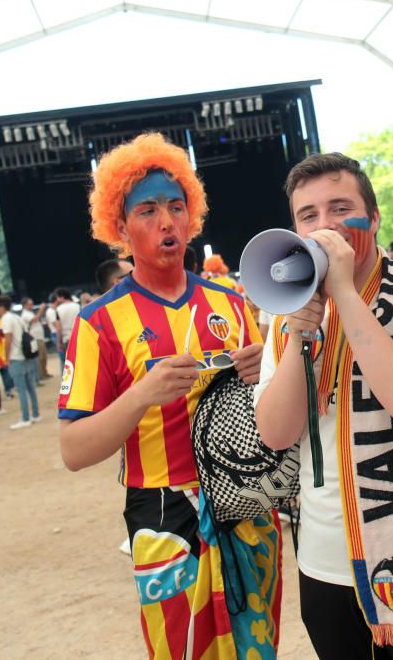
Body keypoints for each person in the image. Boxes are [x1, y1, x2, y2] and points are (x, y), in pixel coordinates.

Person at [254, 152, 393, 658]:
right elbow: (274, 432)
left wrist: (344, 291)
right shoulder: (289, 314)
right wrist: (298, 339)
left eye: (341, 208)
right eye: (308, 216)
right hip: (329, 565)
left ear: (373, 218)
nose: (326, 226)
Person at [58, 132, 278, 659]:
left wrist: (265, 373)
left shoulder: (231, 304)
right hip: (162, 514)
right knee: (181, 648)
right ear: (119, 226)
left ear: (192, 218)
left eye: (177, 207)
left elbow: (271, 415)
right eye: (148, 210)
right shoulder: (99, 323)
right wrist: (140, 396)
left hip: (245, 499)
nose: (166, 222)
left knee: (258, 645)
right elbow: (74, 451)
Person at [0, 297, 41, 429]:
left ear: (1, 306)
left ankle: (25, 417)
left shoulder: (6, 319)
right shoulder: (17, 317)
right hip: (25, 355)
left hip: (16, 356)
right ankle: (35, 414)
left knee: (21, 389)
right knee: (30, 387)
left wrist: (7, 357)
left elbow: (8, 339)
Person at [22, 297, 52, 380]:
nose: (31, 306)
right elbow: (35, 319)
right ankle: (40, 375)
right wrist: (41, 309)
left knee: (44, 356)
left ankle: (44, 372)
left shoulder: (30, 313)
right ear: (25, 305)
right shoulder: (25, 314)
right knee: (40, 357)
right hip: (35, 338)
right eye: (29, 304)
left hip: (40, 337)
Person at [51, 287, 80, 369]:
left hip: (67, 338)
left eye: (57, 297)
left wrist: (58, 342)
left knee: (70, 363)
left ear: (62, 297)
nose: (57, 299)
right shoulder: (77, 306)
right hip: (79, 336)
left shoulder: (58, 310)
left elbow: (59, 328)